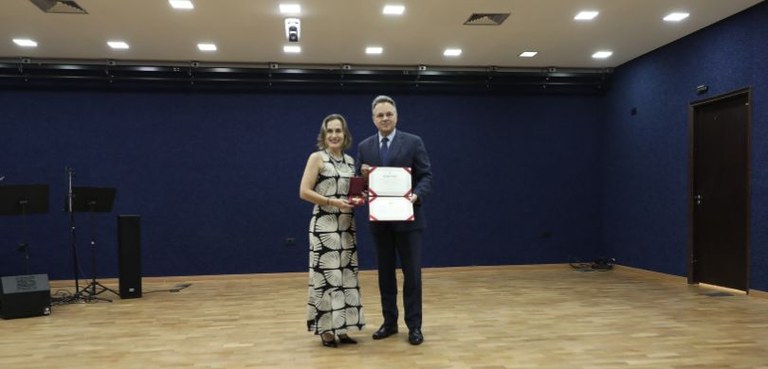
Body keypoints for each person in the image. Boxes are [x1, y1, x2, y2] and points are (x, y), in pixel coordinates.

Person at [357, 95, 433, 345]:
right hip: (380, 222)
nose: (385, 118)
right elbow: (359, 185)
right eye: (380, 115)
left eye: (389, 113)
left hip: (409, 221)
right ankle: (389, 323)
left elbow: (426, 177)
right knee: (385, 275)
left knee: (412, 276)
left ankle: (414, 327)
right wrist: (363, 182)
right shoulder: (365, 146)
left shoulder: (413, 142)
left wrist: (415, 195)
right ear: (373, 119)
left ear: (396, 116)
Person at [300, 113, 365, 348]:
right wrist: (332, 202)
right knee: (326, 279)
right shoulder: (316, 158)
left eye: (339, 131)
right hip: (324, 226)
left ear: (345, 134)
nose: (335, 135)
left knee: (346, 278)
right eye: (330, 131)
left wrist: (362, 197)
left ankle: (343, 328)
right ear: (324, 135)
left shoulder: (350, 161)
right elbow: (304, 191)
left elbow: (353, 193)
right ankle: (326, 330)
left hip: (346, 227)